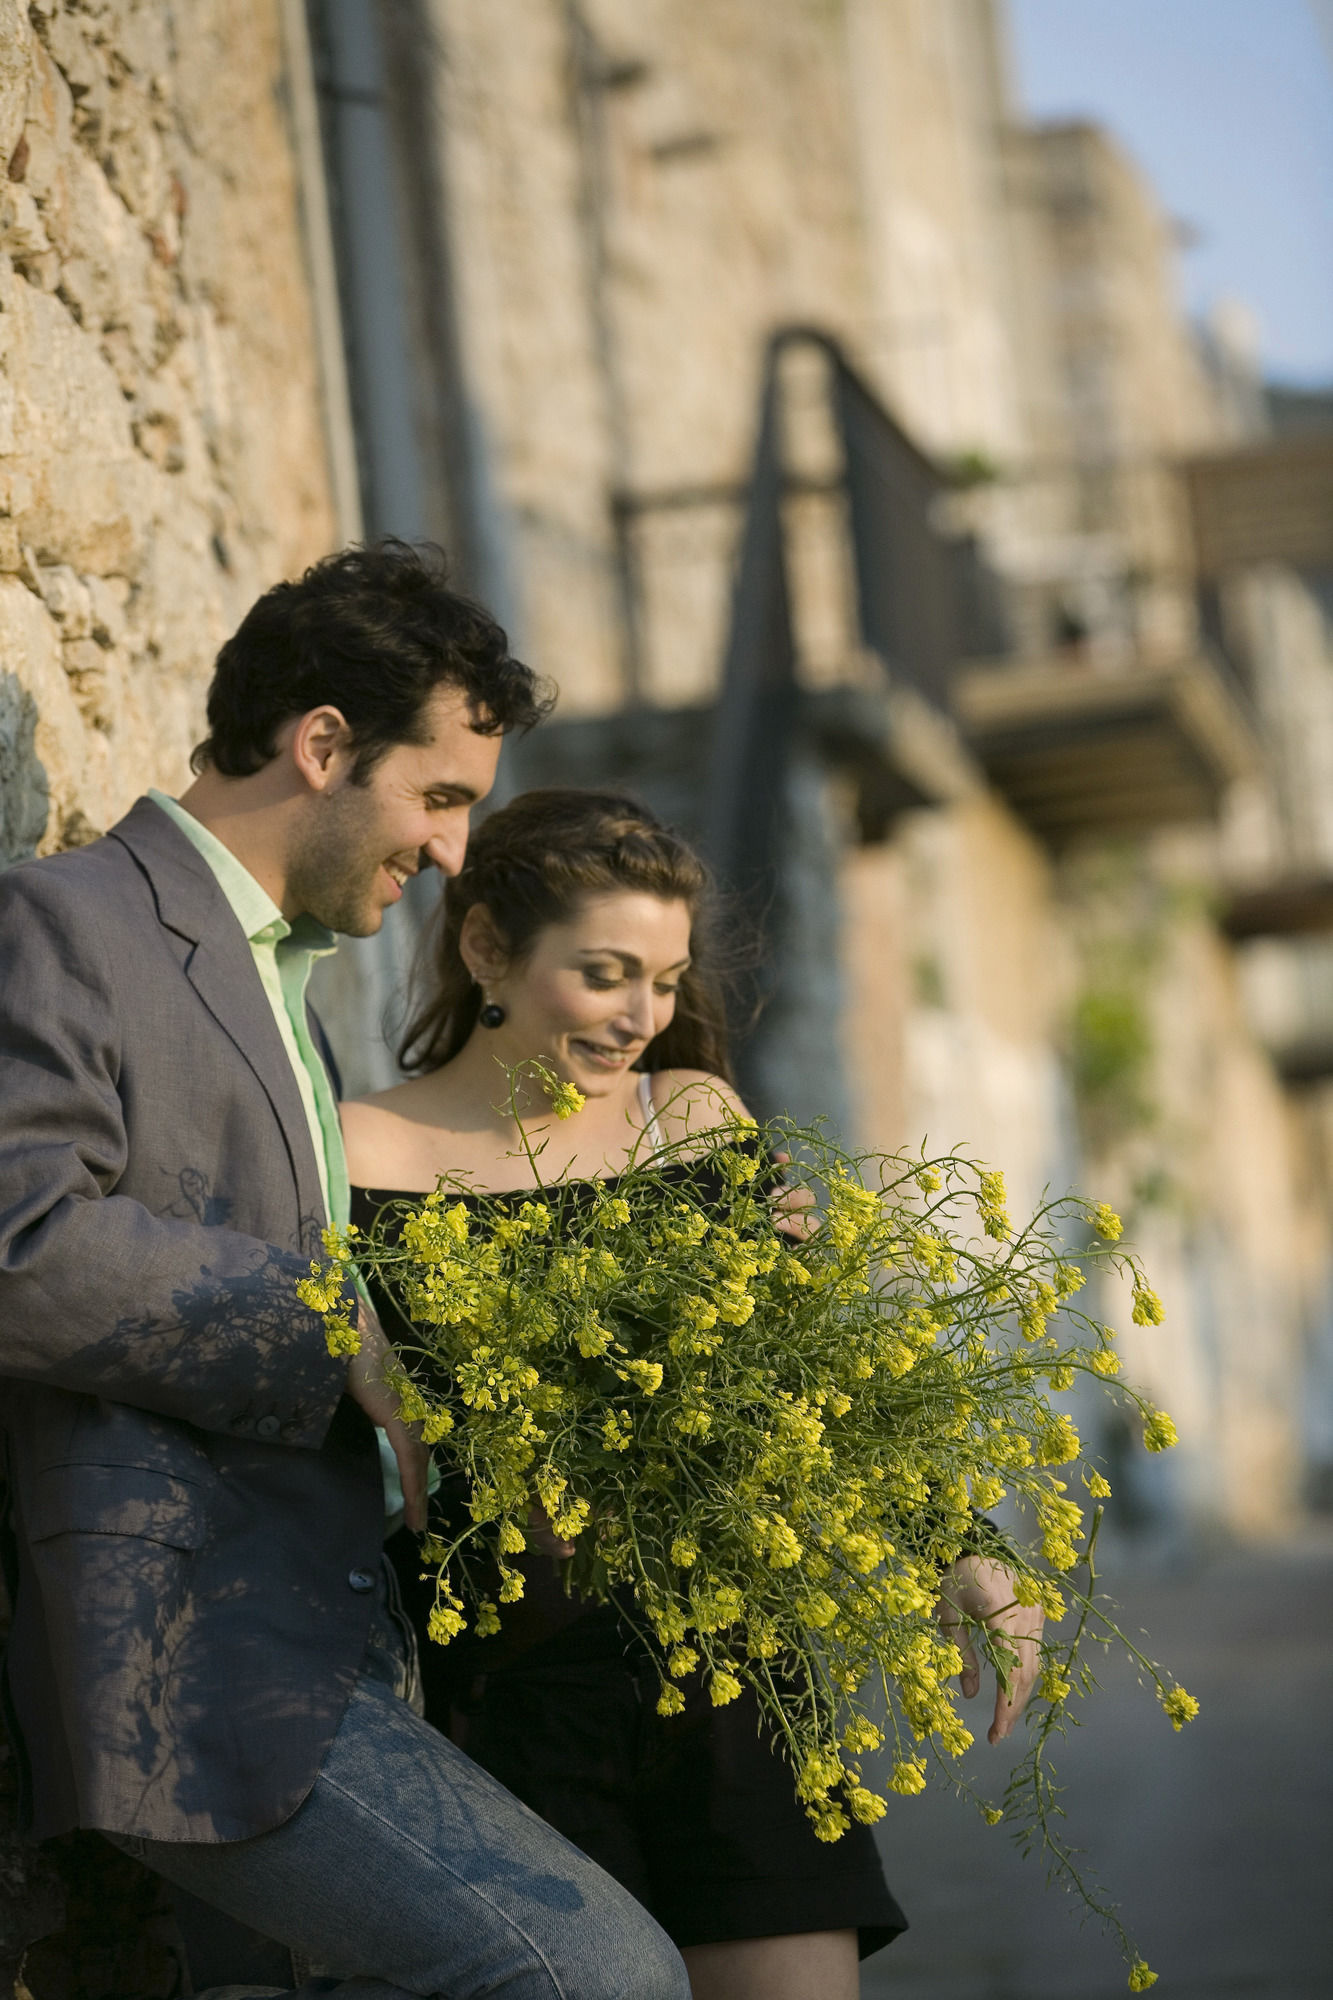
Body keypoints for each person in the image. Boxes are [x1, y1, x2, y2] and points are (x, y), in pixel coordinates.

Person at [0, 545, 692, 2000]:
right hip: (191, 1658)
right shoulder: (71, 922)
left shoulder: (287, 988)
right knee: (598, 1974)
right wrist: (335, 1329)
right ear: (322, 745)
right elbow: (19, 1243)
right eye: (439, 797)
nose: (452, 853)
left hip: (330, 1634)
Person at [341, 788, 1044, 2000]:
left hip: (735, 1681)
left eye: (663, 980)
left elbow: (814, 1377)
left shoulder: (692, 1117)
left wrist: (960, 1546)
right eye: (605, 972)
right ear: (485, 946)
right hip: (505, 1705)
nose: (639, 1017)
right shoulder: (359, 1154)